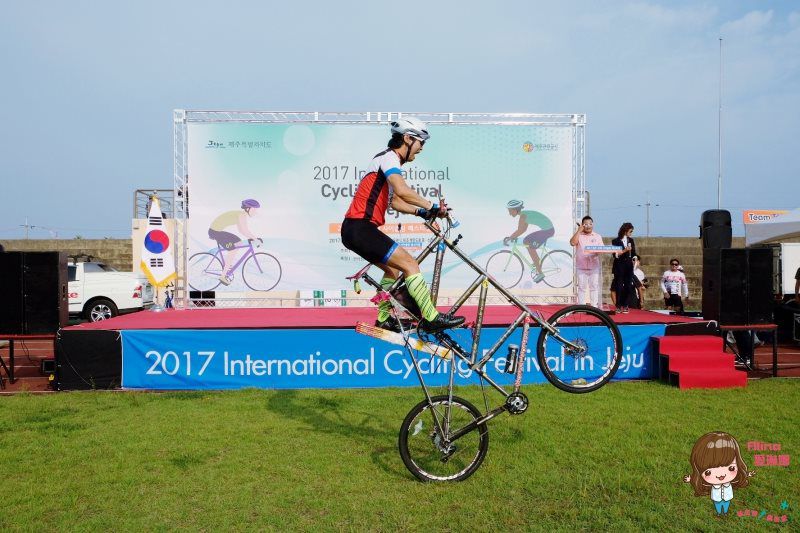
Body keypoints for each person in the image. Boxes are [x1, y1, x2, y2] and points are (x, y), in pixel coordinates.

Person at [340, 117, 464, 334]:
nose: (421, 149)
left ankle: (384, 319)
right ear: (407, 138)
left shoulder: (385, 160)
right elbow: (403, 191)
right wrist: (433, 207)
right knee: (409, 264)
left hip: (354, 229)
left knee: (393, 272)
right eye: (420, 143)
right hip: (360, 228)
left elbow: (395, 202)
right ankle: (431, 317)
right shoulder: (389, 158)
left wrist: (423, 212)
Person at [683, 431, 754, 515]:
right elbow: (698, 478)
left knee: (726, 501)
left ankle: (724, 512)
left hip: (728, 493)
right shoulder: (707, 483)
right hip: (716, 495)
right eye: (708, 472)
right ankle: (719, 512)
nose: (721, 475)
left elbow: (740, 476)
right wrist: (690, 479)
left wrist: (747, 474)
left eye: (731, 468)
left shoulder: (732, 480)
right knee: (717, 502)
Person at [208, 199, 262, 285]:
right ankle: (223, 276)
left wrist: (252, 238)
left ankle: (228, 264)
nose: (256, 212)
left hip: (216, 230)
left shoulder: (241, 215)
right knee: (232, 249)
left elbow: (241, 230)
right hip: (215, 232)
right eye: (254, 209)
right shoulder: (242, 215)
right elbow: (245, 230)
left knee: (238, 242)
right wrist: (255, 239)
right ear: (248, 208)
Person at [503, 201, 555, 283]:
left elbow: (520, 230)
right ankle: (537, 261)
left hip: (548, 230)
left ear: (516, 209)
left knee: (531, 247)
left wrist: (510, 238)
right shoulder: (524, 215)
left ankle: (540, 273)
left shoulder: (523, 216)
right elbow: (523, 229)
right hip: (547, 229)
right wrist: (513, 237)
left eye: (510, 211)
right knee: (526, 241)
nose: (509, 213)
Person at [569, 215, 603, 307]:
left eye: (590, 224)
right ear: (582, 225)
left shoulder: (597, 236)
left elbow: (602, 249)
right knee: (581, 287)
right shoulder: (579, 235)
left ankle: (594, 306)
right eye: (586, 224)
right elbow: (572, 243)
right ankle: (581, 306)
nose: (588, 226)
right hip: (581, 266)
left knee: (594, 287)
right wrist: (579, 230)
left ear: (593, 225)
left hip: (594, 266)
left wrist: (595, 251)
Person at [610, 222, 637, 313]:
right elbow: (615, 255)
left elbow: (634, 254)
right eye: (630, 231)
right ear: (625, 230)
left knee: (628, 286)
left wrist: (634, 259)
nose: (631, 233)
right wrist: (625, 250)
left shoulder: (631, 240)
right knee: (619, 286)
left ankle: (625, 305)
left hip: (629, 266)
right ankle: (618, 305)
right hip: (619, 266)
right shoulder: (615, 241)